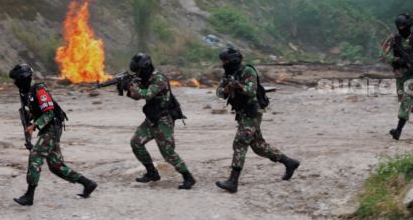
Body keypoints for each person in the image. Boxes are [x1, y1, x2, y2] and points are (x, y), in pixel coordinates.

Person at [9, 64, 97, 206]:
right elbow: (36, 111)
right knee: (56, 166)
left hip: (52, 127)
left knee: (35, 156)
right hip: (47, 129)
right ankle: (88, 183)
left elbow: (49, 113)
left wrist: (34, 125)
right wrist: (29, 118)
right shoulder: (26, 93)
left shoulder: (39, 89)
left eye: (16, 80)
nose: (15, 83)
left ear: (23, 79)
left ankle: (29, 196)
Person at [215, 48, 300, 193]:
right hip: (243, 113)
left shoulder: (248, 71)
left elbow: (250, 91)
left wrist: (238, 86)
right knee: (258, 146)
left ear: (233, 60)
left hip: (253, 111)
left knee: (240, 142)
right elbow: (219, 93)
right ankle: (289, 162)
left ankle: (233, 181)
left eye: (226, 61)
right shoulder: (229, 74)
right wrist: (228, 89)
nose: (224, 64)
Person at [126, 53, 196, 189]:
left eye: (138, 71)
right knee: (136, 143)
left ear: (145, 67)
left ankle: (188, 177)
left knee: (168, 154)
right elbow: (136, 96)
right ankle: (152, 173)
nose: (137, 74)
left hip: (163, 120)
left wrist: (133, 87)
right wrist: (127, 89)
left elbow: (146, 94)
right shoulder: (145, 79)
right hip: (152, 118)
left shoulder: (159, 79)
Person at [380, 13, 413, 140]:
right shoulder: (393, 39)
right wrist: (397, 60)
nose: (402, 30)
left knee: (407, 100)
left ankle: (398, 131)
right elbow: (383, 55)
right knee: (405, 101)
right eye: (401, 27)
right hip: (399, 74)